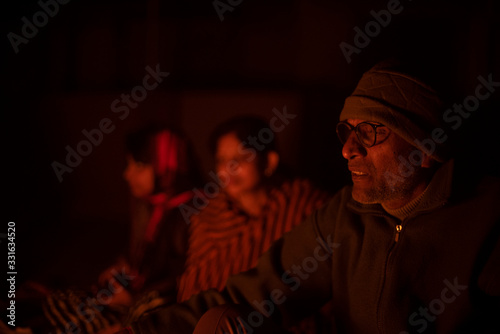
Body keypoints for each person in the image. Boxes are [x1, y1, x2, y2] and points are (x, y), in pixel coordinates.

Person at [119, 62, 500, 334]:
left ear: (426, 146)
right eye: (347, 131)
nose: (348, 150)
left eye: (371, 131)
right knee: (221, 323)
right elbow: (256, 293)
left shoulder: (486, 220)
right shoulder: (344, 215)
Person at [39, 124, 203, 334]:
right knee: (60, 300)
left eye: (138, 166)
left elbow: (181, 284)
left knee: (144, 312)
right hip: (136, 296)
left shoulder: (191, 214)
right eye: (129, 165)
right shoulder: (153, 206)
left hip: (157, 307)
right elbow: (142, 258)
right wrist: (122, 270)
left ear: (166, 165)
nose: (127, 174)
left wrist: (132, 299)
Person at [174, 116, 332, 333]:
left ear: (269, 162)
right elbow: (193, 289)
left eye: (241, 158)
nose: (229, 169)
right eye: (221, 160)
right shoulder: (208, 217)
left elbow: (321, 288)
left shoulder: (307, 208)